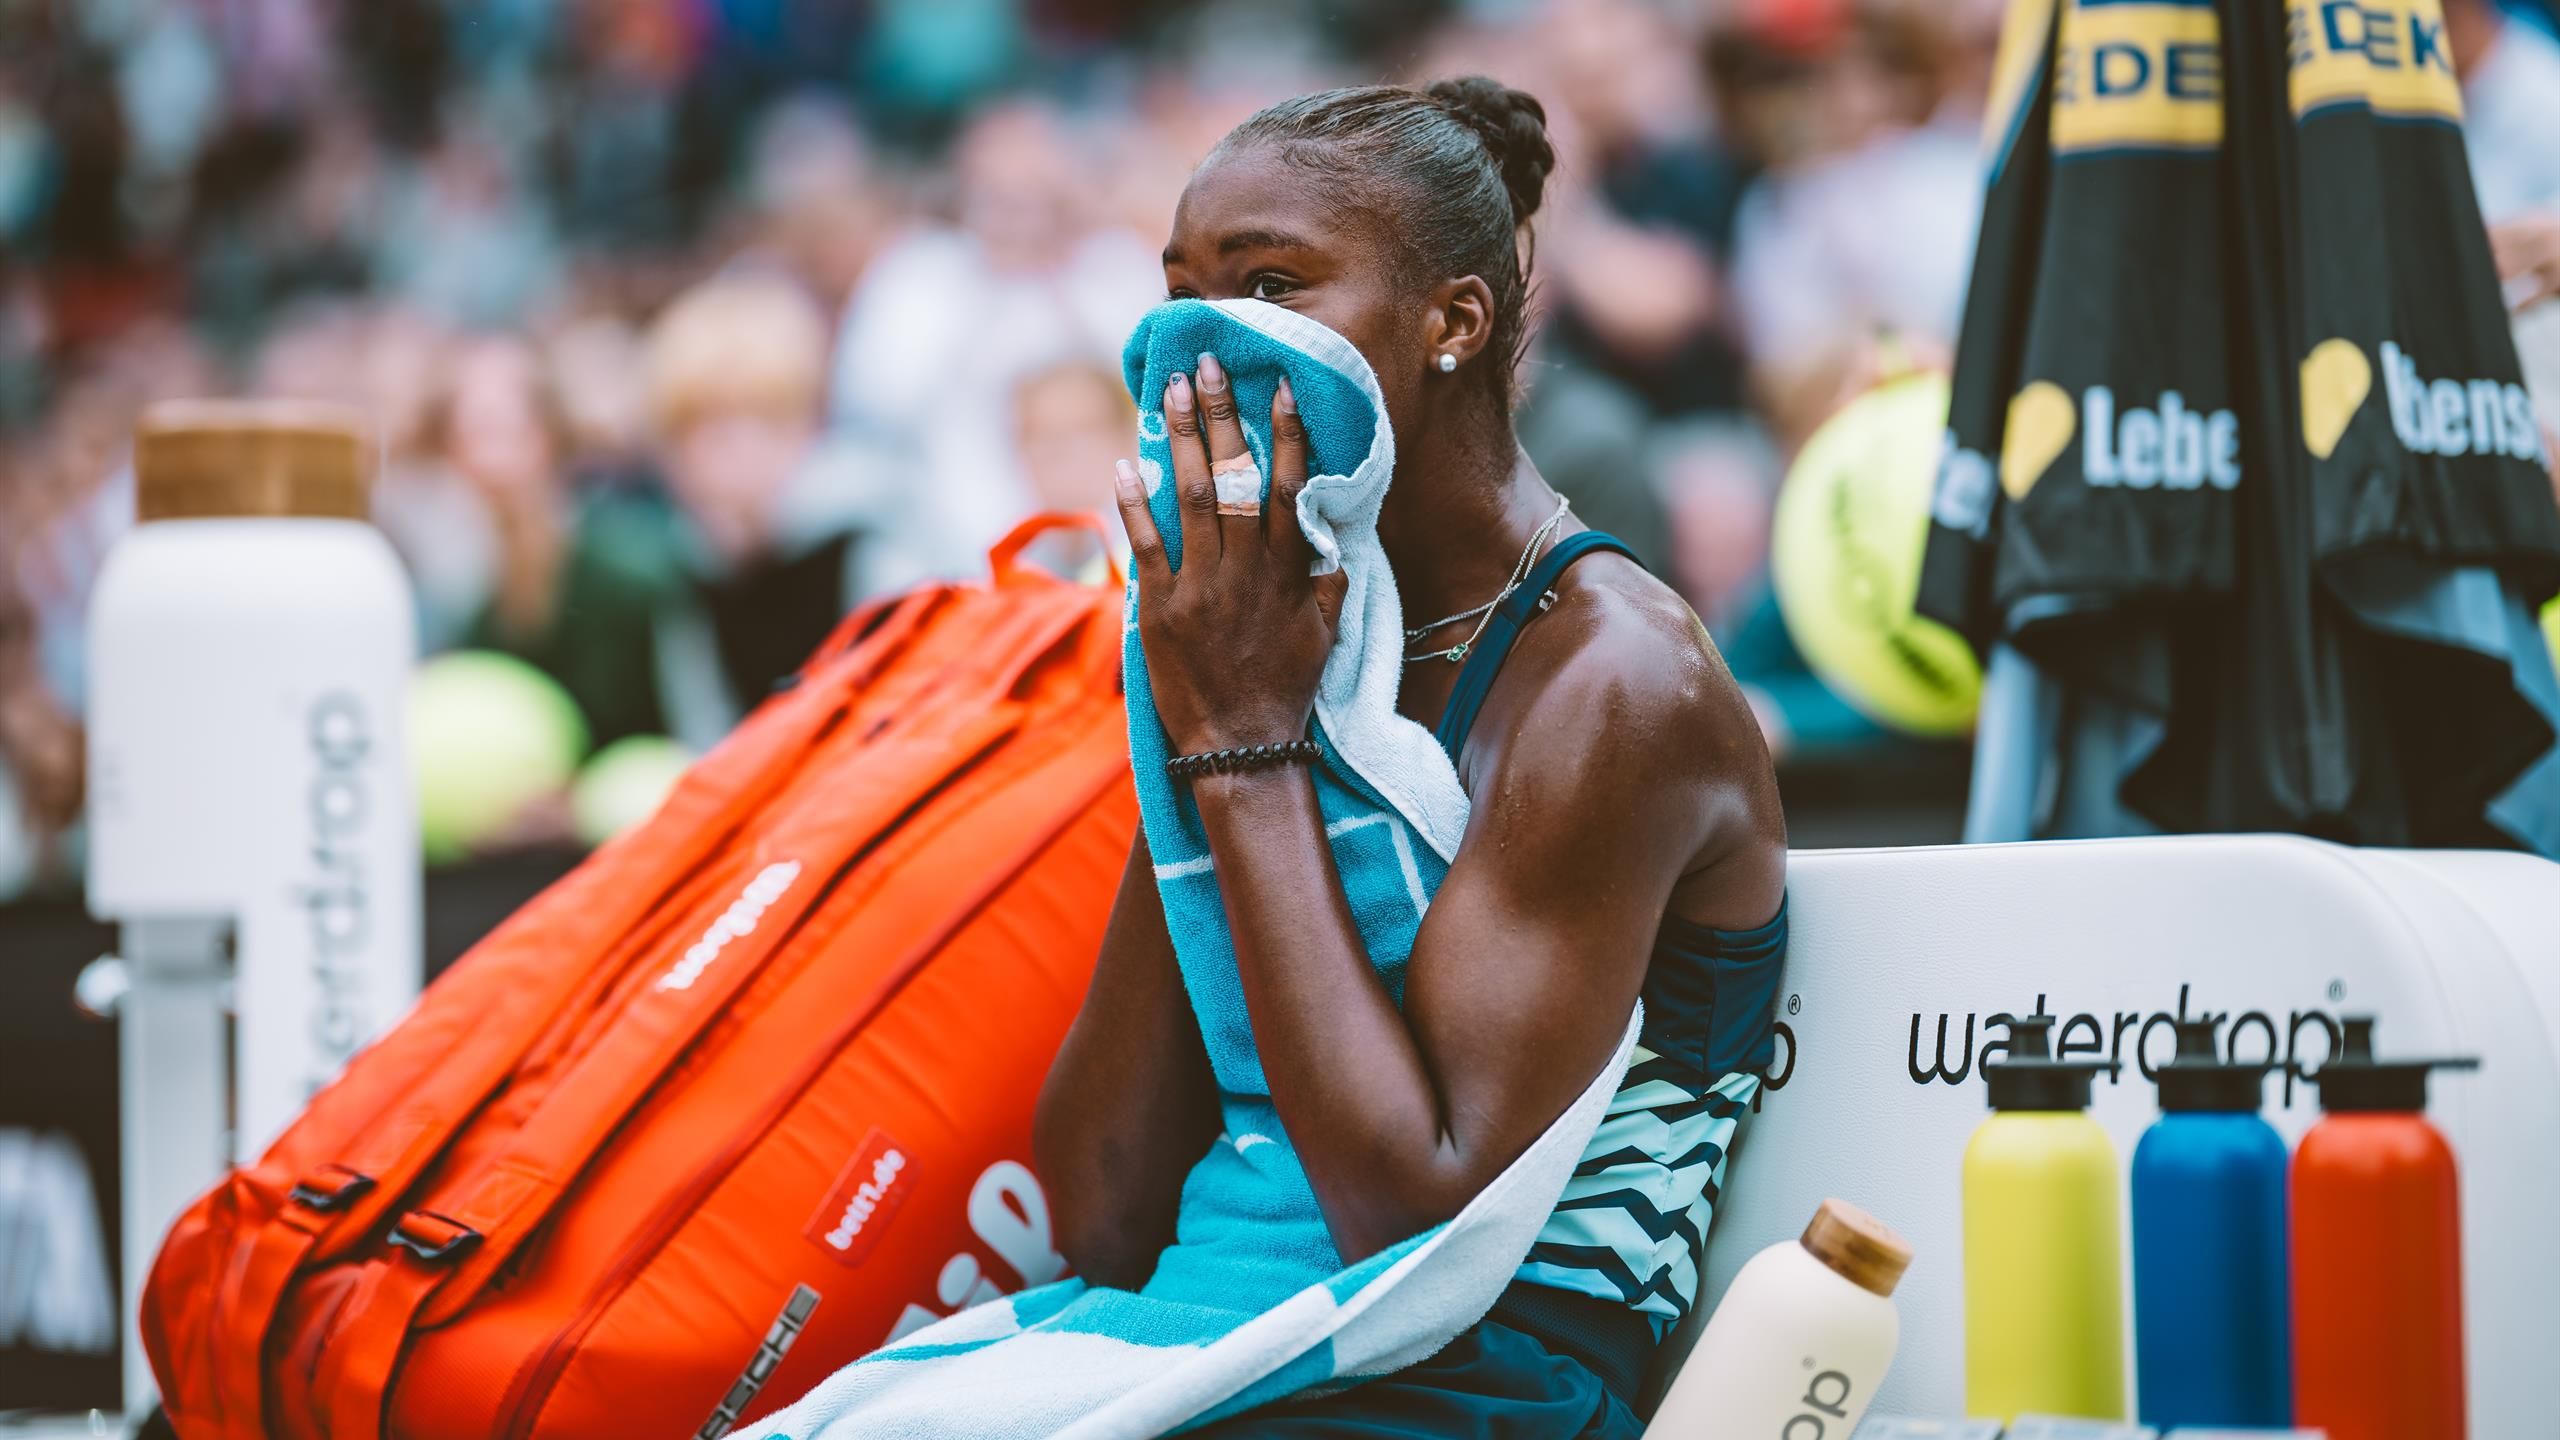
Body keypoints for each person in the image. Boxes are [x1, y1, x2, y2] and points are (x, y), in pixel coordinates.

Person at [1035, 79, 1788, 1436]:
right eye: (1181, 293)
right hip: (1227, 1336)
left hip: (1484, 1382)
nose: (1207, 352)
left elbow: (1406, 1220)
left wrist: (1251, 748)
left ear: (1453, 323)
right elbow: (1103, 1202)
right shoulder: (1271, 634)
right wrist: (1192, 711)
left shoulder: (1619, 681)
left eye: (1274, 287)